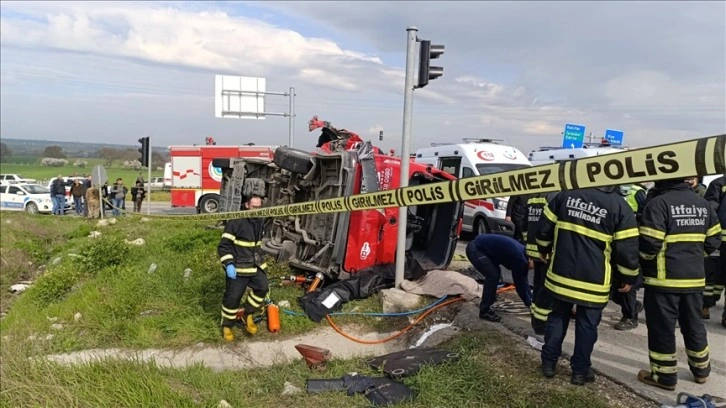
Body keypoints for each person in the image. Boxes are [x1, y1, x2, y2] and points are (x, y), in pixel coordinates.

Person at [536, 186, 639, 386]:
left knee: (557, 317)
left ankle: (548, 364)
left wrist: (543, 249)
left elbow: (544, 229)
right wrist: (628, 277)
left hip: (561, 275)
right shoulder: (620, 206)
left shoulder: (565, 196)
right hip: (594, 280)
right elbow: (627, 249)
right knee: (587, 325)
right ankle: (580, 372)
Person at [637, 178, 721, 391]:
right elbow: (713, 241)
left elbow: (649, 244)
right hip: (694, 278)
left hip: (664, 280)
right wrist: (691, 257)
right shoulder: (703, 204)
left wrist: (644, 262)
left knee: (662, 328)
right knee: (693, 324)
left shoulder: (658, 204)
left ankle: (664, 376)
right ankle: (701, 370)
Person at [217, 195, 268, 342]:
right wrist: (229, 264)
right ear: (246, 205)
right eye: (254, 207)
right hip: (238, 267)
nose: (257, 210)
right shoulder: (236, 221)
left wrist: (262, 264)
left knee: (263, 287)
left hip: (254, 265)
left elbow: (256, 246)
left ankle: (248, 314)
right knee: (232, 298)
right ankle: (227, 326)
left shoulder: (259, 221)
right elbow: (224, 245)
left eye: (259, 207)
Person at [465, 233, 533, 322]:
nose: (533, 269)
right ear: (532, 259)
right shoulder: (520, 258)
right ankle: (484, 311)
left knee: (495, 272)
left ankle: (491, 297)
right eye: (535, 266)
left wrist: (530, 300)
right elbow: (519, 282)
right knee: (493, 276)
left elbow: (524, 279)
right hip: (475, 249)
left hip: (484, 248)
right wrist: (529, 303)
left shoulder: (524, 253)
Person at [525, 192, 558, 335]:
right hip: (545, 251)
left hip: (533, 247)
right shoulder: (554, 196)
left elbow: (525, 220)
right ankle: (541, 327)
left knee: (537, 286)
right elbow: (549, 225)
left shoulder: (534, 196)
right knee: (545, 288)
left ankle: (535, 318)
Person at [704, 175, 726, 327]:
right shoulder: (719, 183)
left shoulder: (719, 183)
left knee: (712, 274)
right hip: (719, 239)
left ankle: (705, 306)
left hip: (719, 239)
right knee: (713, 275)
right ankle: (705, 305)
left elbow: (710, 209)